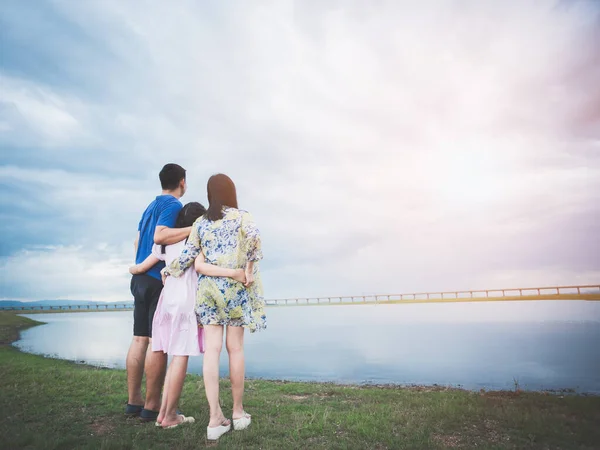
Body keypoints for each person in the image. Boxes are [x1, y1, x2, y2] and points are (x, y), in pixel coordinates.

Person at [163, 173, 266, 441]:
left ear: (210, 195)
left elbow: (187, 256)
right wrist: (250, 270)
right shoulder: (243, 217)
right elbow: (255, 240)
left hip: (208, 290)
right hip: (234, 289)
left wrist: (170, 270)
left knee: (212, 351)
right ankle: (238, 413)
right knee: (236, 348)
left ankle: (214, 419)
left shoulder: (200, 223)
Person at [129, 202, 248, 429]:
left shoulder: (165, 246)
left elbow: (144, 264)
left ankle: (163, 414)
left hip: (167, 302)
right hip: (186, 302)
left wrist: (132, 270)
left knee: (174, 355)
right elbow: (204, 267)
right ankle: (169, 415)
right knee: (180, 357)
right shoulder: (197, 241)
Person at [126, 163, 191, 422]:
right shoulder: (173, 205)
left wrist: (140, 264)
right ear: (182, 182)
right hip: (155, 280)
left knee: (139, 339)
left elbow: (137, 240)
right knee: (156, 343)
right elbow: (160, 236)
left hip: (140, 278)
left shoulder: (150, 206)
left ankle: (134, 401)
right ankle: (152, 406)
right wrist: (195, 230)